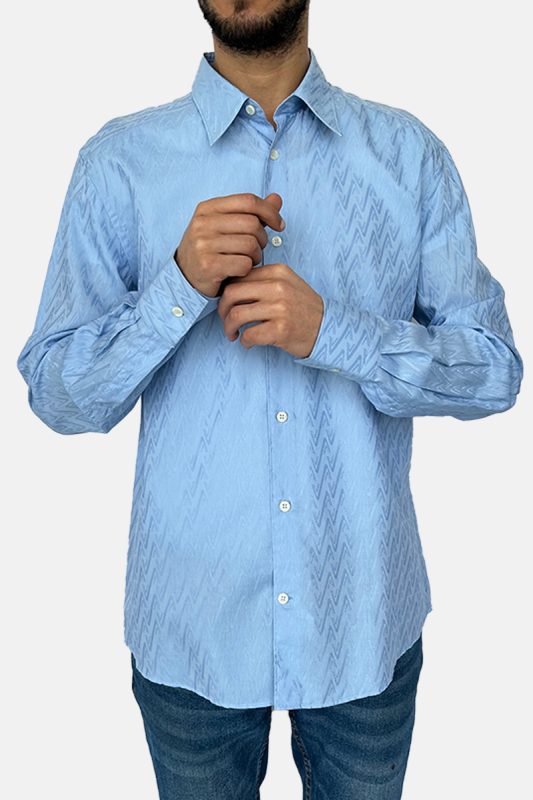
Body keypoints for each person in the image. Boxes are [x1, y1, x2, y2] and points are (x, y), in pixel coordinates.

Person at [16, 1, 524, 798]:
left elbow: (493, 371)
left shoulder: (408, 155)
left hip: (362, 615)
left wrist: (335, 333)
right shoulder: (119, 162)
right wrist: (177, 288)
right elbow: (58, 395)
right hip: (192, 620)